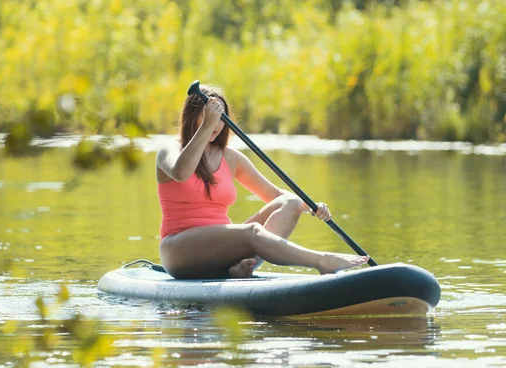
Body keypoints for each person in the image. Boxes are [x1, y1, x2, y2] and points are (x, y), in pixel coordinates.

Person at [156, 84, 369, 279]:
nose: (216, 124)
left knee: (290, 203)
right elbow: (181, 173)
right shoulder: (170, 150)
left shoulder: (231, 157)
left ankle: (234, 268)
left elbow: (277, 196)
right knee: (252, 232)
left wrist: (312, 207)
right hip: (179, 250)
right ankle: (321, 261)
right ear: (192, 116)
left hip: (223, 247)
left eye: (221, 117)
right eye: (209, 116)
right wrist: (205, 127)